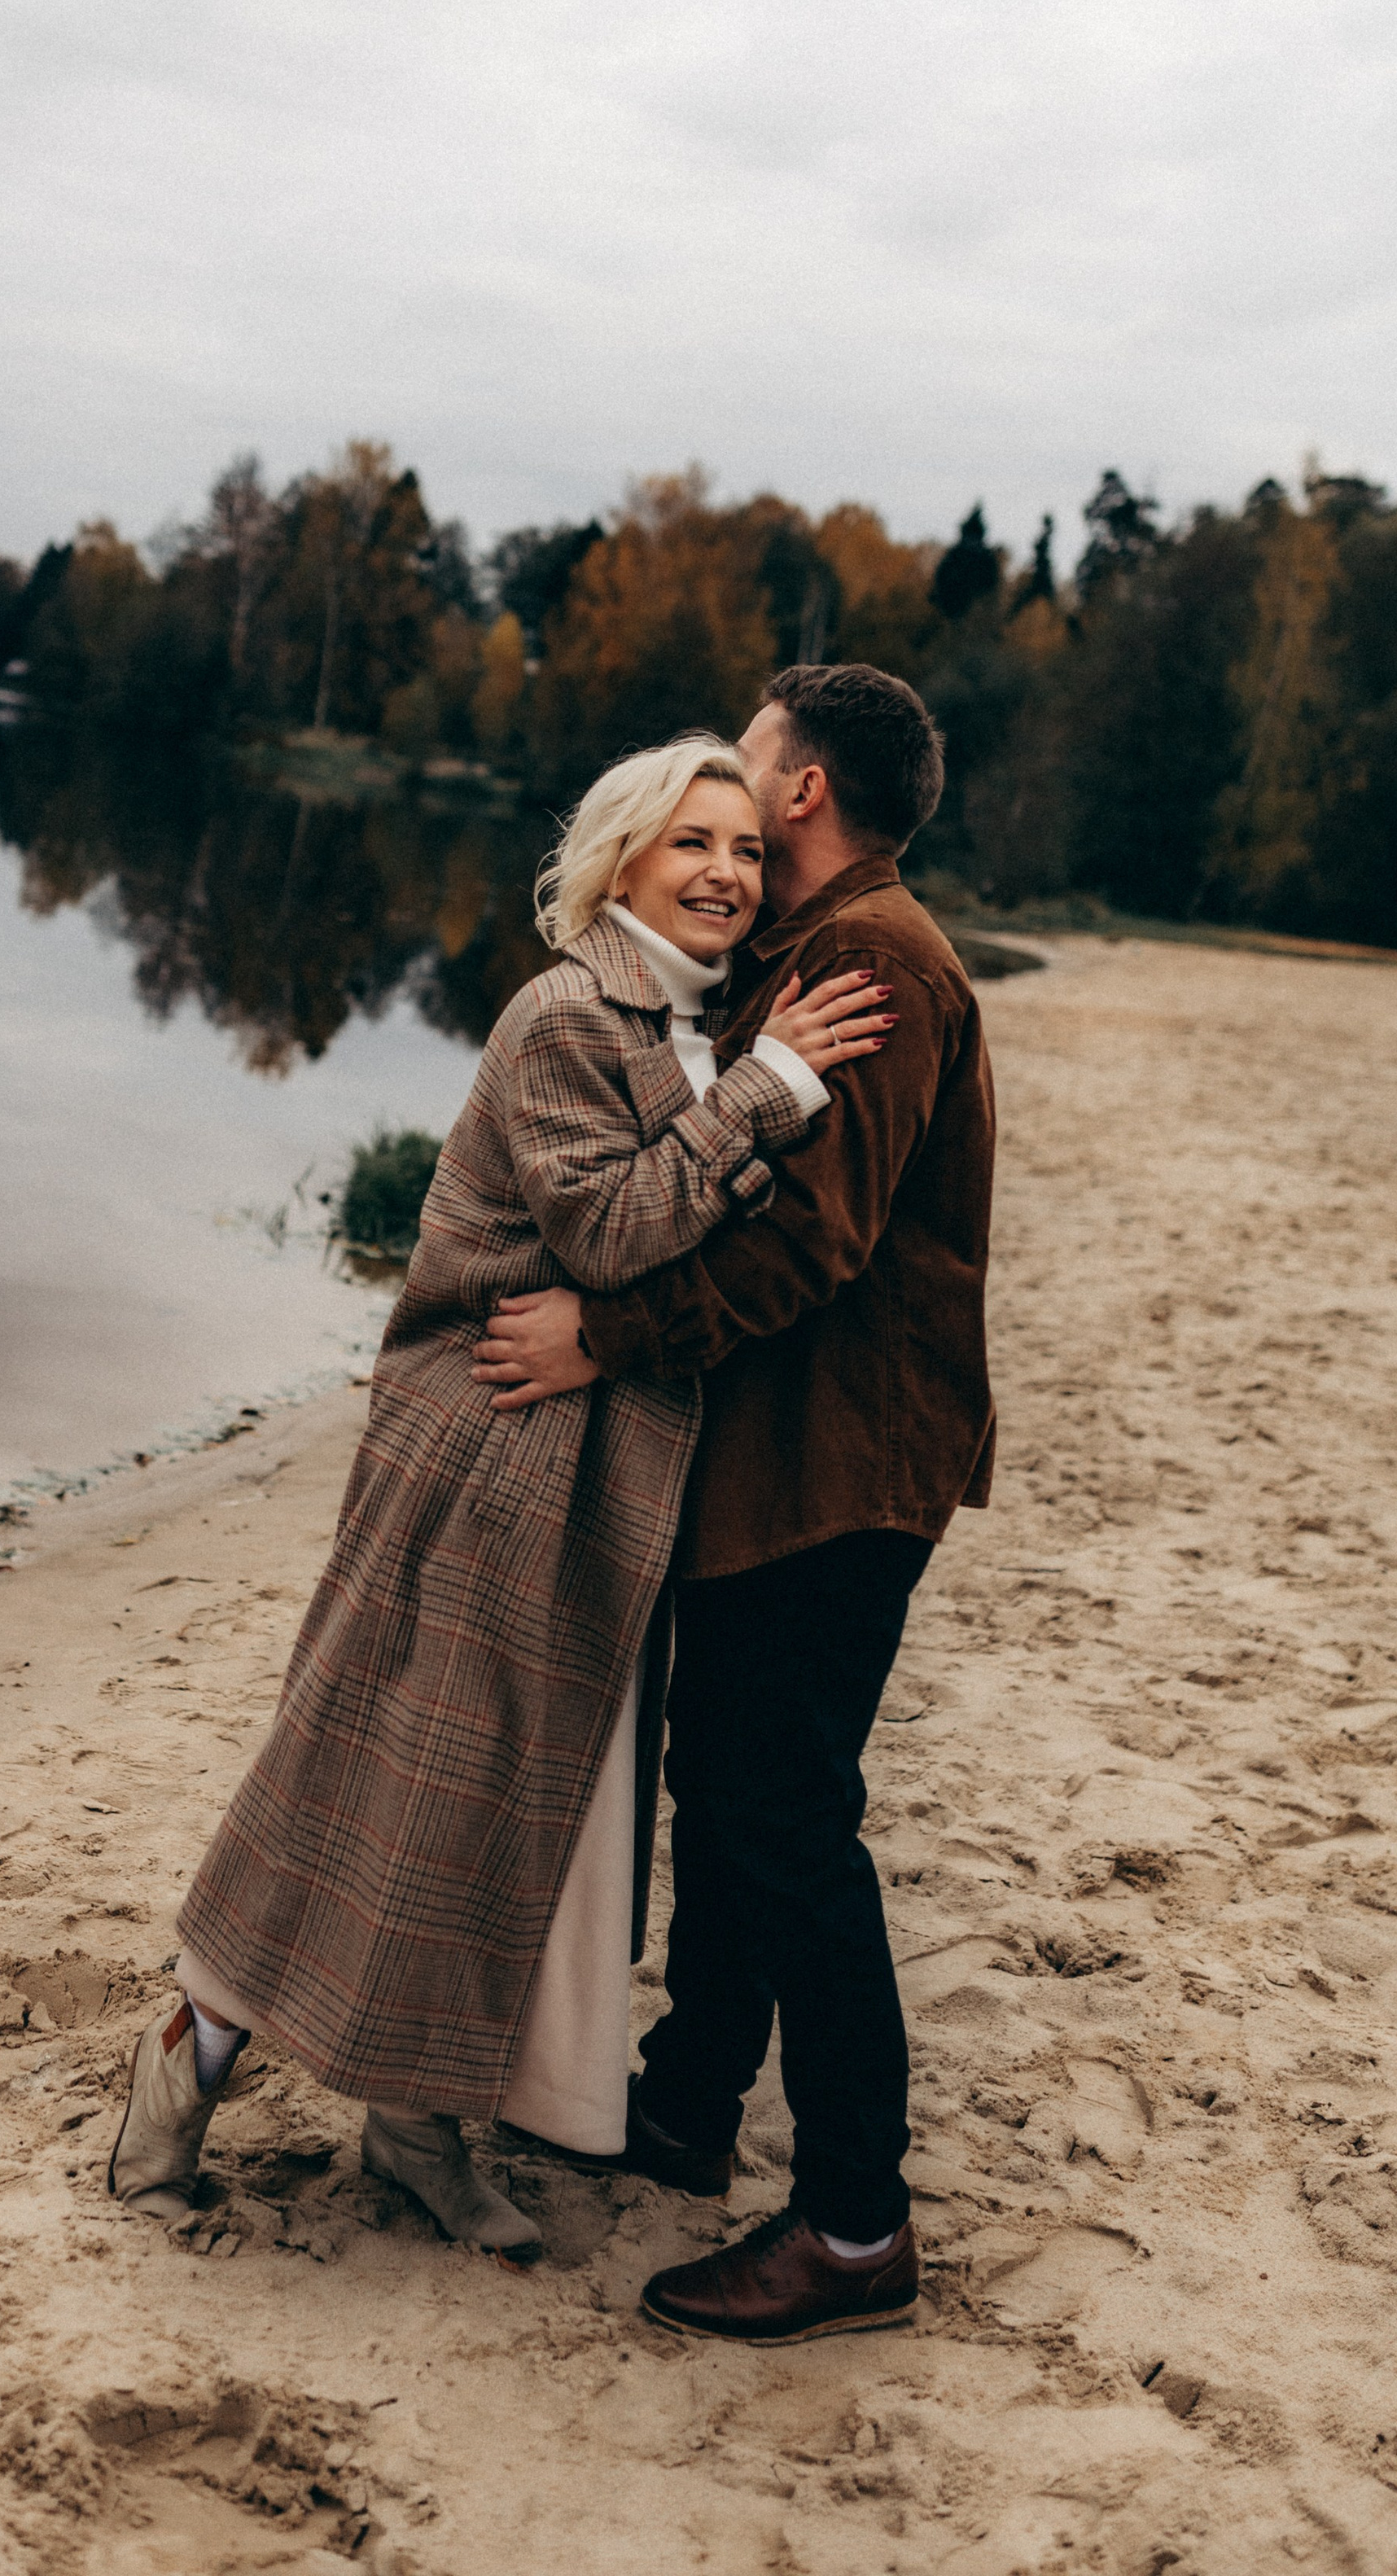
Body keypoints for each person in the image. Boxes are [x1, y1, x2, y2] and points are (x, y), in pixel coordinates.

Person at [109, 734, 895, 2257]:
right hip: (481, 1468)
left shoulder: (695, 1023)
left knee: (516, 1821)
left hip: (598, 1486)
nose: (728, 872)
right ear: (618, 862)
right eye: (693, 846)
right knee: (376, 1783)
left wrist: (754, 1072)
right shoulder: (565, 1014)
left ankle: (415, 2124)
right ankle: (179, 2067)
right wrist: (776, 1090)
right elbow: (606, 1232)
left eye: (743, 848)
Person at [471, 661, 995, 2344]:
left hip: (844, 1461)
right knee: (727, 1785)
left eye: (753, 763)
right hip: (787, 1456)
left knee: (783, 1823)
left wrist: (597, 1337)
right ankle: (689, 2104)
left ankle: (851, 2227)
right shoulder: (798, 957)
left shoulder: (873, 964)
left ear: (799, 792)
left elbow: (808, 1242)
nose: (736, 783)